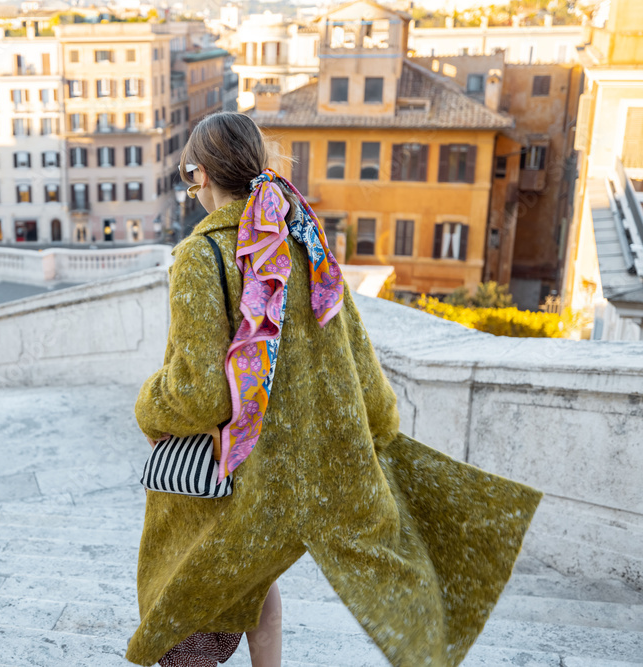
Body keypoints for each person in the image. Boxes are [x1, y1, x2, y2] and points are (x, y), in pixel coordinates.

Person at [125, 111, 543, 667]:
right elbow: (355, 356)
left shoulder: (202, 256)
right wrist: (377, 430)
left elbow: (200, 393)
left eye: (188, 174)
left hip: (243, 476)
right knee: (256, 576)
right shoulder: (302, 240)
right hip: (313, 475)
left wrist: (148, 406)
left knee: (178, 595)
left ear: (200, 176)